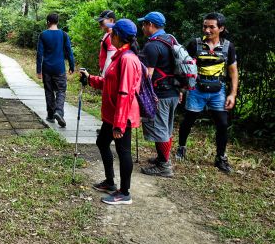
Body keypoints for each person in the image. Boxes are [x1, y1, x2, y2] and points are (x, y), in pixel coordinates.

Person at [80, 19, 142, 205]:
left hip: (122, 116)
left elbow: (125, 93)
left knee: (124, 152)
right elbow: (109, 82)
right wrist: (90, 79)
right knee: (102, 142)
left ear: (117, 36)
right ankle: (109, 182)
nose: (109, 35)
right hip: (112, 115)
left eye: (112, 33)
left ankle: (125, 193)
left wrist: (120, 124)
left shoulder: (128, 59)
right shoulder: (119, 56)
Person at [176, 12, 238, 173]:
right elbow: (185, 69)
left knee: (223, 124)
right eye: (205, 26)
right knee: (188, 120)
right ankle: (181, 147)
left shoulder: (228, 47)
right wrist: (181, 89)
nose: (207, 30)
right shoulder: (194, 44)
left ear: (221, 28)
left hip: (218, 90)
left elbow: (233, 71)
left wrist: (232, 94)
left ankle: (220, 158)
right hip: (196, 88)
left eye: (212, 27)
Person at [137, 11, 180, 178]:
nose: (142, 28)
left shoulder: (152, 46)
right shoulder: (170, 40)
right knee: (166, 128)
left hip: (160, 94)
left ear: (150, 25)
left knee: (160, 128)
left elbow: (147, 75)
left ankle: (164, 165)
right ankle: (162, 158)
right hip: (174, 93)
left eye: (144, 24)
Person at [36, 12, 75, 128]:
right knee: (61, 90)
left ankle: (50, 115)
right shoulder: (64, 35)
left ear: (48, 22)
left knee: (49, 91)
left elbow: (39, 54)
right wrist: (72, 66)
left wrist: (39, 71)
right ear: (57, 22)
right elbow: (69, 52)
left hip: (47, 68)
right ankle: (59, 111)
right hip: (59, 68)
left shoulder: (43, 35)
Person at [96, 10, 117, 77]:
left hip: (108, 74)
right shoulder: (107, 34)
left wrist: (103, 76)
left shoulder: (112, 35)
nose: (100, 23)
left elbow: (110, 58)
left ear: (111, 20)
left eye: (102, 21)